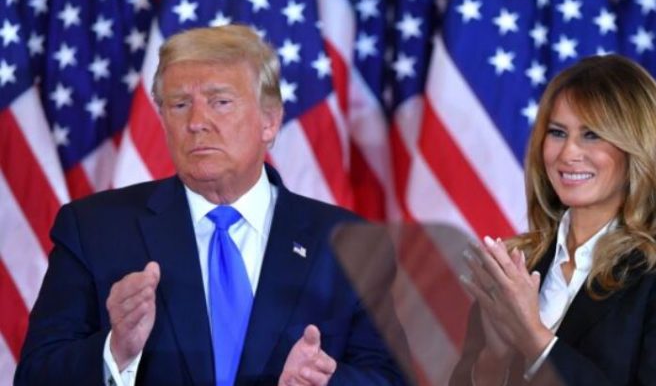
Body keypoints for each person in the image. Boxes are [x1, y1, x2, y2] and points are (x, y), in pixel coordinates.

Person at [15, 25, 406, 386]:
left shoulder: (347, 244)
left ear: (269, 121)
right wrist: (115, 351)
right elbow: (34, 375)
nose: (197, 122)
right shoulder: (95, 230)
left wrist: (326, 382)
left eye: (220, 101)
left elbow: (392, 378)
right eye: (180, 104)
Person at [452, 54, 656, 385]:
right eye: (557, 132)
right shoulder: (516, 264)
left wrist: (535, 339)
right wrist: (493, 357)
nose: (568, 153)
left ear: (638, 147)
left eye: (591, 134)